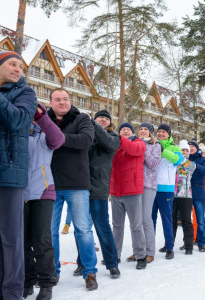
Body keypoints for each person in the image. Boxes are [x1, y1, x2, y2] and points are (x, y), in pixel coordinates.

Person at [0, 51, 37, 300]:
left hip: (10, 173)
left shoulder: (25, 93)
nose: (18, 69)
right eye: (12, 64)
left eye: (20, 66)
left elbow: (17, 120)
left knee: (11, 240)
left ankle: (12, 293)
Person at [48, 88, 98, 290]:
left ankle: (90, 272)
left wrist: (56, 138)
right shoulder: (45, 120)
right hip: (49, 183)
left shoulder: (82, 119)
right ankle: (52, 271)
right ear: (50, 102)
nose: (62, 102)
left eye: (65, 99)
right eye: (57, 99)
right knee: (49, 232)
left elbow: (85, 141)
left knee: (83, 229)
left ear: (70, 101)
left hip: (77, 183)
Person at [23, 103, 65, 300]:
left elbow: (59, 139)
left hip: (43, 191)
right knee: (21, 241)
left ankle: (47, 283)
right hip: (19, 193)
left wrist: (42, 118)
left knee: (42, 240)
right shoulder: (18, 131)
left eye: (36, 113)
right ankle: (27, 280)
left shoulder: (46, 133)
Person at [73, 109, 121, 278]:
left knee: (102, 226)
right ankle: (83, 263)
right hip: (80, 184)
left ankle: (112, 263)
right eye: (99, 118)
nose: (102, 120)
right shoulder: (84, 134)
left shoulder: (114, 136)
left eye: (106, 119)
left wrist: (91, 122)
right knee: (81, 228)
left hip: (99, 186)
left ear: (110, 122)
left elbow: (109, 143)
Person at [110, 123, 147, 269]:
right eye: (122, 129)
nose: (125, 130)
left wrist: (116, 137)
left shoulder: (139, 143)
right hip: (115, 191)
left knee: (136, 225)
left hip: (132, 191)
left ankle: (141, 256)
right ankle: (115, 256)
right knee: (117, 226)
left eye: (128, 129)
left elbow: (133, 150)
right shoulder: (114, 146)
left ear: (132, 132)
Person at [127, 122, 161, 263]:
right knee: (136, 219)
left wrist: (142, 148)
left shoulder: (156, 146)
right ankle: (138, 251)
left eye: (146, 129)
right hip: (134, 184)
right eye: (140, 129)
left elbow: (153, 164)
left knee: (146, 218)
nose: (142, 131)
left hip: (148, 184)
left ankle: (150, 251)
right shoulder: (133, 143)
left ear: (150, 132)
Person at [152, 124, 183, 260]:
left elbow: (178, 160)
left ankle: (169, 247)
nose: (160, 133)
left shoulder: (174, 148)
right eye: (158, 131)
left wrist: (162, 149)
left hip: (166, 189)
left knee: (166, 219)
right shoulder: (152, 145)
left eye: (163, 132)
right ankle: (149, 247)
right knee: (150, 220)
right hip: (151, 188)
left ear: (169, 134)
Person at [188, 141, 205, 252]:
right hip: (185, 193)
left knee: (200, 220)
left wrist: (196, 166)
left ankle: (201, 243)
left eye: (193, 146)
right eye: (189, 146)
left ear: (197, 148)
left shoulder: (203, 160)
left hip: (198, 193)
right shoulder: (184, 159)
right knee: (187, 220)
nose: (191, 148)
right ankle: (187, 242)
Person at [173, 140, 195, 255]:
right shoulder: (172, 162)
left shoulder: (191, 163)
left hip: (186, 195)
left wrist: (176, 159)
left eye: (187, 150)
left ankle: (189, 246)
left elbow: (184, 167)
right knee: (172, 221)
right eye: (183, 150)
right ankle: (169, 244)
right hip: (172, 195)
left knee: (186, 221)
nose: (185, 152)